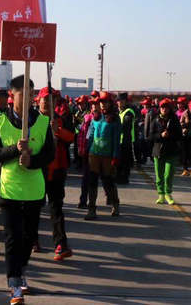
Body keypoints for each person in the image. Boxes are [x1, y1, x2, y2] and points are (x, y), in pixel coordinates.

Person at [0, 75, 54, 303]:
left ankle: (21, 268)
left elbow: (50, 154)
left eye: (32, 94)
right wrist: (14, 150)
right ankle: (14, 282)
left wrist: (32, 161)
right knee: (12, 237)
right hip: (9, 189)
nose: (30, 98)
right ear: (12, 95)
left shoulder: (43, 122)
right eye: (24, 94)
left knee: (29, 237)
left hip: (34, 189)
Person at [38, 88, 75, 261]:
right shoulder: (31, 119)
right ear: (38, 101)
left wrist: (58, 130)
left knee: (56, 209)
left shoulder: (62, 119)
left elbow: (71, 138)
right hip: (37, 170)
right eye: (44, 99)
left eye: (50, 100)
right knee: (33, 208)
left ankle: (61, 245)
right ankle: (32, 240)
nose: (47, 103)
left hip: (58, 169)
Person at [84, 91, 121, 220]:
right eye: (101, 102)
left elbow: (117, 140)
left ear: (110, 103)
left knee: (108, 182)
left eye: (105, 102)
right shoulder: (95, 117)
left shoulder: (115, 119)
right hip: (94, 154)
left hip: (107, 156)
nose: (103, 105)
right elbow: (90, 137)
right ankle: (91, 209)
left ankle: (115, 204)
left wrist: (115, 157)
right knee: (92, 182)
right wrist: (86, 150)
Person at [149, 98, 182, 205]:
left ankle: (168, 194)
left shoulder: (174, 119)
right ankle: (161, 194)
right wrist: (160, 135)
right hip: (158, 151)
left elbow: (179, 135)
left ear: (169, 108)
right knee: (159, 175)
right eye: (162, 107)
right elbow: (150, 136)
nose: (164, 109)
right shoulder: (155, 120)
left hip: (171, 151)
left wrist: (170, 135)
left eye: (166, 107)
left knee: (168, 175)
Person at [116, 93, 136, 184]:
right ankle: (119, 177)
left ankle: (124, 178)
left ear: (125, 101)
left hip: (126, 140)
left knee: (125, 161)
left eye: (121, 101)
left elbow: (126, 126)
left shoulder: (129, 112)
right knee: (119, 161)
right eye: (118, 101)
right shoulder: (119, 112)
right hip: (119, 140)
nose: (119, 102)